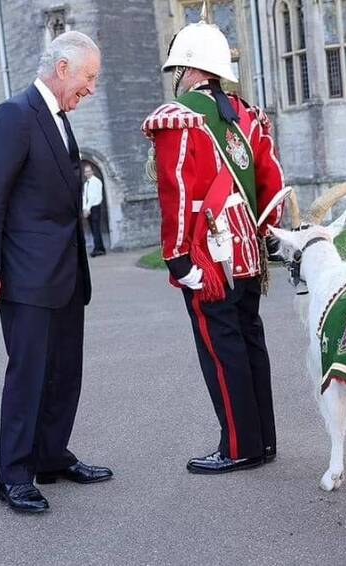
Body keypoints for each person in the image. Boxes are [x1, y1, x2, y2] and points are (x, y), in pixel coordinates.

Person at [0, 31, 112, 514]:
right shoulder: (15, 115)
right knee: (29, 374)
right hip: (27, 276)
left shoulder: (59, 117)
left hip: (66, 274)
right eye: (88, 77)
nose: (91, 88)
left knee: (65, 371)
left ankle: (51, 455)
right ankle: (13, 476)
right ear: (63, 68)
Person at [141, 17, 287, 474]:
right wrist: (264, 236)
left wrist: (178, 255)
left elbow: (177, 190)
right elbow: (272, 182)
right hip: (246, 248)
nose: (176, 79)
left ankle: (239, 446)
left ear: (188, 68)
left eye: (177, 70)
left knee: (221, 347)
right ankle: (262, 440)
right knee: (248, 339)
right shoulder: (247, 113)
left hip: (208, 252)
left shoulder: (180, 114)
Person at [82, 163, 106, 256]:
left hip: (95, 207)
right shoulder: (86, 183)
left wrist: (87, 209)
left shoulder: (96, 181)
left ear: (92, 171)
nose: (87, 173)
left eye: (89, 171)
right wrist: (84, 208)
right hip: (88, 208)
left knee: (96, 228)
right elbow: (85, 197)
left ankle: (98, 249)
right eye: (86, 172)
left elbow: (92, 197)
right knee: (93, 228)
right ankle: (101, 248)